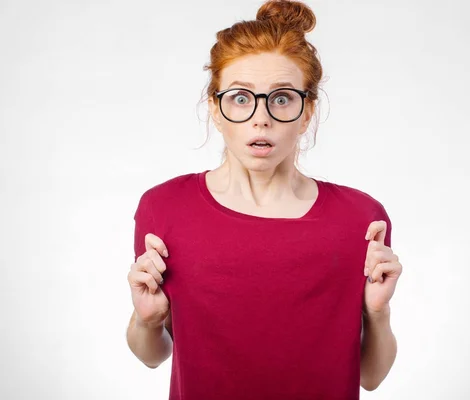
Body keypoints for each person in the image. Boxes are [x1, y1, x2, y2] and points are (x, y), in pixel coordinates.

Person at [125, 1, 403, 398]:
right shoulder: (164, 207)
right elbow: (152, 355)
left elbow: (371, 377)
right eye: (241, 98)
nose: (261, 118)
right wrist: (147, 319)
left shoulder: (361, 219)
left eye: (282, 98)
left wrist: (377, 312)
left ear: (307, 112)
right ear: (215, 109)